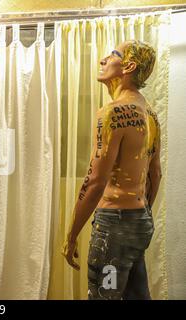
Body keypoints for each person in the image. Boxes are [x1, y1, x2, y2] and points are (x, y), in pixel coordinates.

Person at [62, 40, 161, 300]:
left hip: (113, 228)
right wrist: (139, 215)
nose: (103, 60)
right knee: (136, 295)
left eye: (111, 56)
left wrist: (71, 236)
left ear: (128, 67)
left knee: (103, 295)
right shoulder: (149, 113)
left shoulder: (112, 112)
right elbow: (155, 173)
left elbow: (95, 181)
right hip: (140, 222)